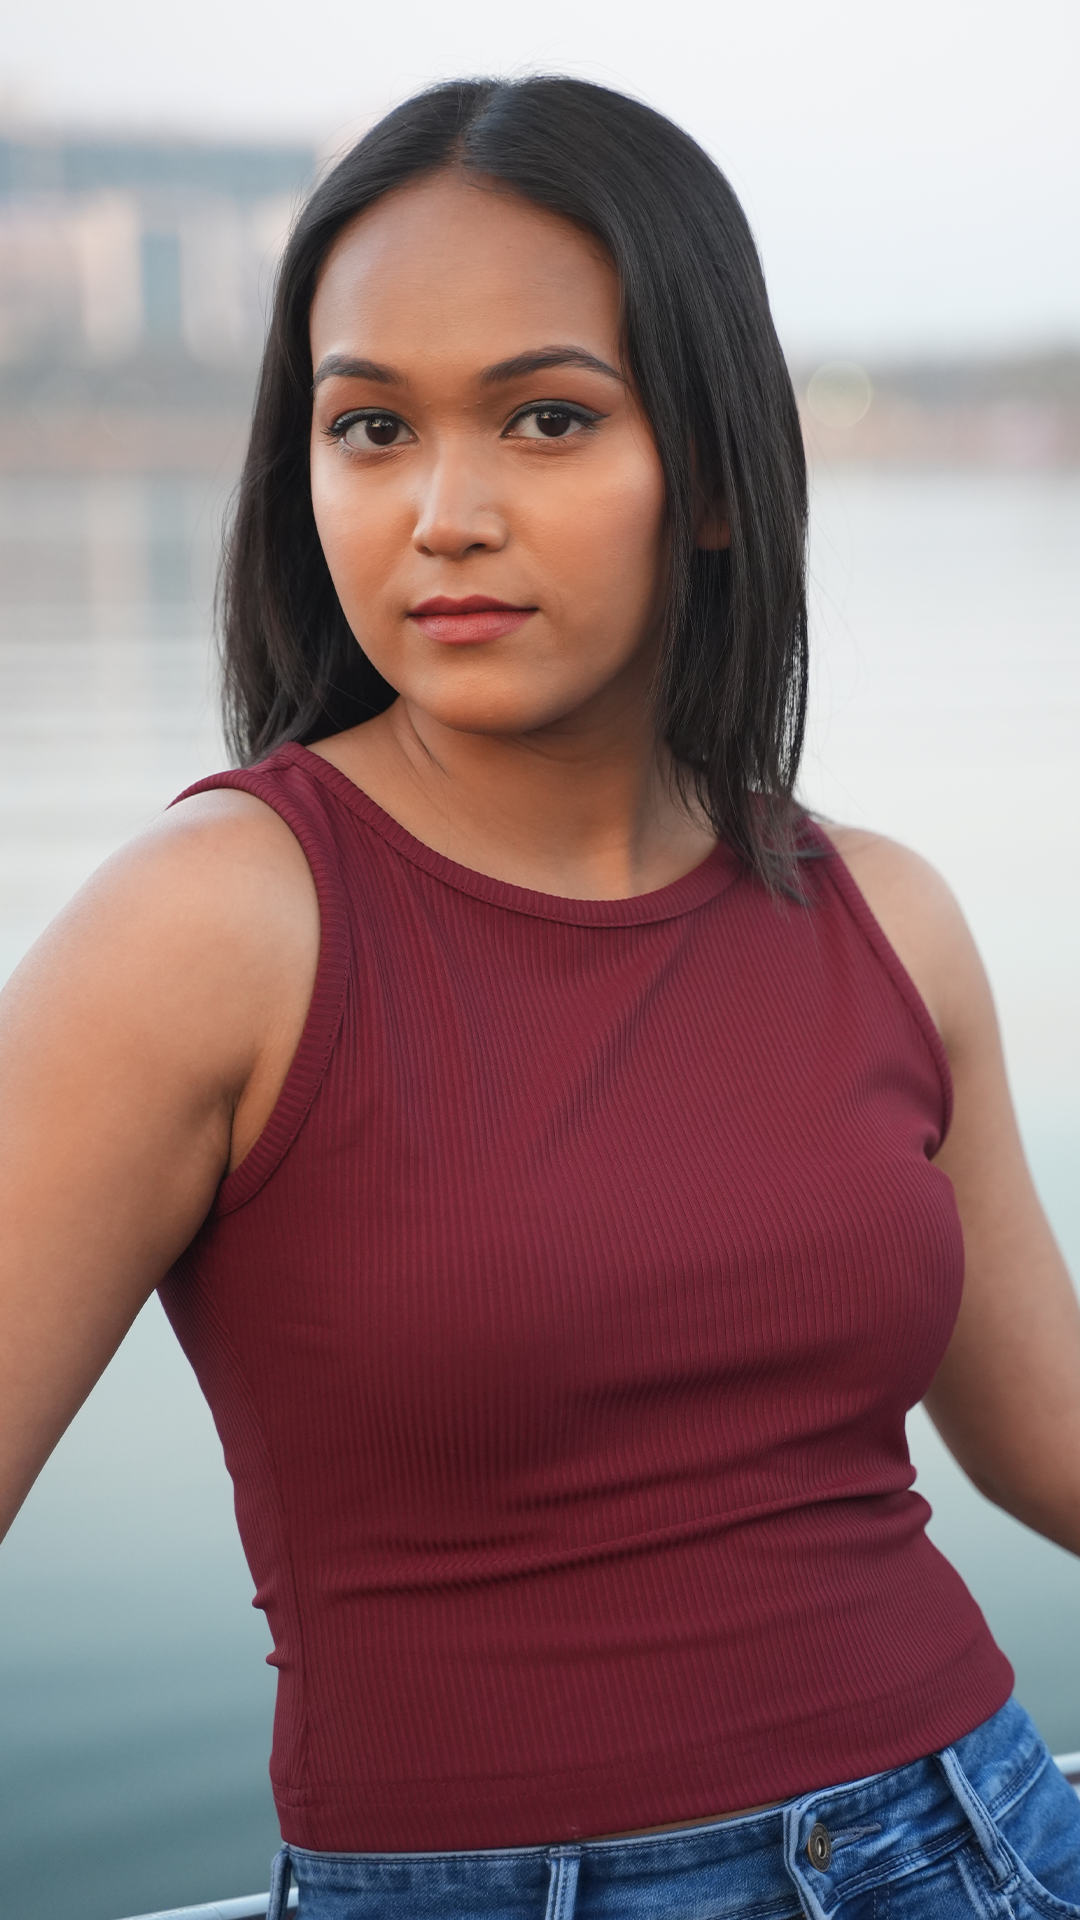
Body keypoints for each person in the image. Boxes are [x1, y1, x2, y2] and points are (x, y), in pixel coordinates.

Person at [2, 75, 1080, 1920]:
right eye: (370, 429)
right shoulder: (216, 926)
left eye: (548, 417)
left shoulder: (881, 914)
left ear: (721, 475)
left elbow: (1048, 1440)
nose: (444, 512)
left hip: (979, 1841)